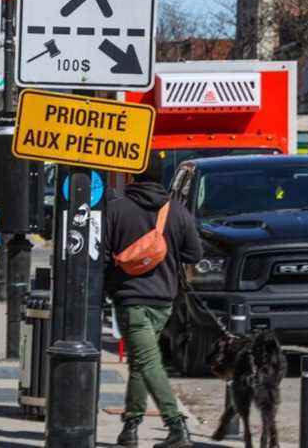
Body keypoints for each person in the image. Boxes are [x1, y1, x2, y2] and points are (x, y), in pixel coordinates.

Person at [104, 168, 202, 448]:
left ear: (133, 178)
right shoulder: (178, 211)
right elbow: (194, 254)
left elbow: (102, 255)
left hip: (130, 298)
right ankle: (130, 428)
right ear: (162, 179)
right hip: (163, 300)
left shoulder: (117, 208)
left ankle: (176, 425)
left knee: (146, 361)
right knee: (141, 360)